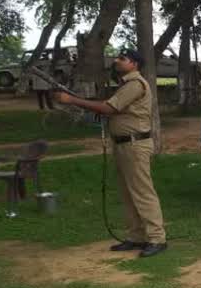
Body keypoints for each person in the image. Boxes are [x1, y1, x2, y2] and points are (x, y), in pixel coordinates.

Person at [53, 49, 167, 258]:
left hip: (135, 145)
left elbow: (109, 108)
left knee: (142, 192)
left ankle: (157, 238)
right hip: (124, 145)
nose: (117, 61)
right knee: (128, 193)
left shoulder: (135, 84)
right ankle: (136, 236)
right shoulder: (125, 85)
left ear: (134, 64)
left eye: (122, 59)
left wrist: (72, 100)